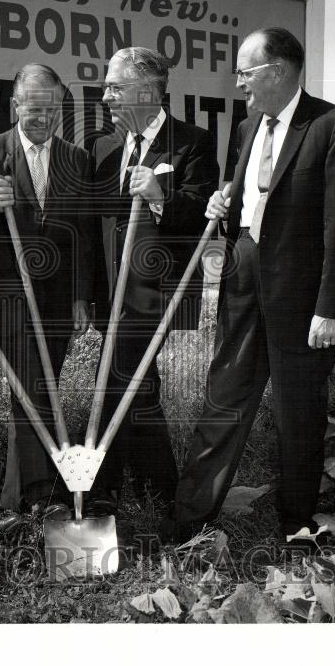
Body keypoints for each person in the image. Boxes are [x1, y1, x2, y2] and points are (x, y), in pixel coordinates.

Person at [170, 27, 335, 541]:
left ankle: (296, 527)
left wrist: (331, 307)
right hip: (243, 282)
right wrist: (224, 205)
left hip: (302, 301)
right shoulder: (246, 129)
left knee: (297, 414)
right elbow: (251, 205)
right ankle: (190, 517)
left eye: (246, 71)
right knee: (223, 397)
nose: (239, 83)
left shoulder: (332, 125)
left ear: (277, 71)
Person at [88, 47, 219, 516]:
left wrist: (161, 194)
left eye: (113, 87)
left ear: (146, 90)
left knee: (119, 373)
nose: (105, 97)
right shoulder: (104, 147)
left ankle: (96, 490)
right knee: (136, 381)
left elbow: (202, 209)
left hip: (159, 287)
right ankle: (160, 486)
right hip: (110, 289)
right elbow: (93, 226)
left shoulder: (192, 142)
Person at [0, 64, 91, 515]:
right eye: (34, 109)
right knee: (31, 388)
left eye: (52, 109)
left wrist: (80, 295)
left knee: (41, 388)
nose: (44, 118)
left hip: (57, 298)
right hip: (7, 294)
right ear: (16, 106)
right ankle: (39, 498)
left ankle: (17, 500)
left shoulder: (76, 158)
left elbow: (83, 233)